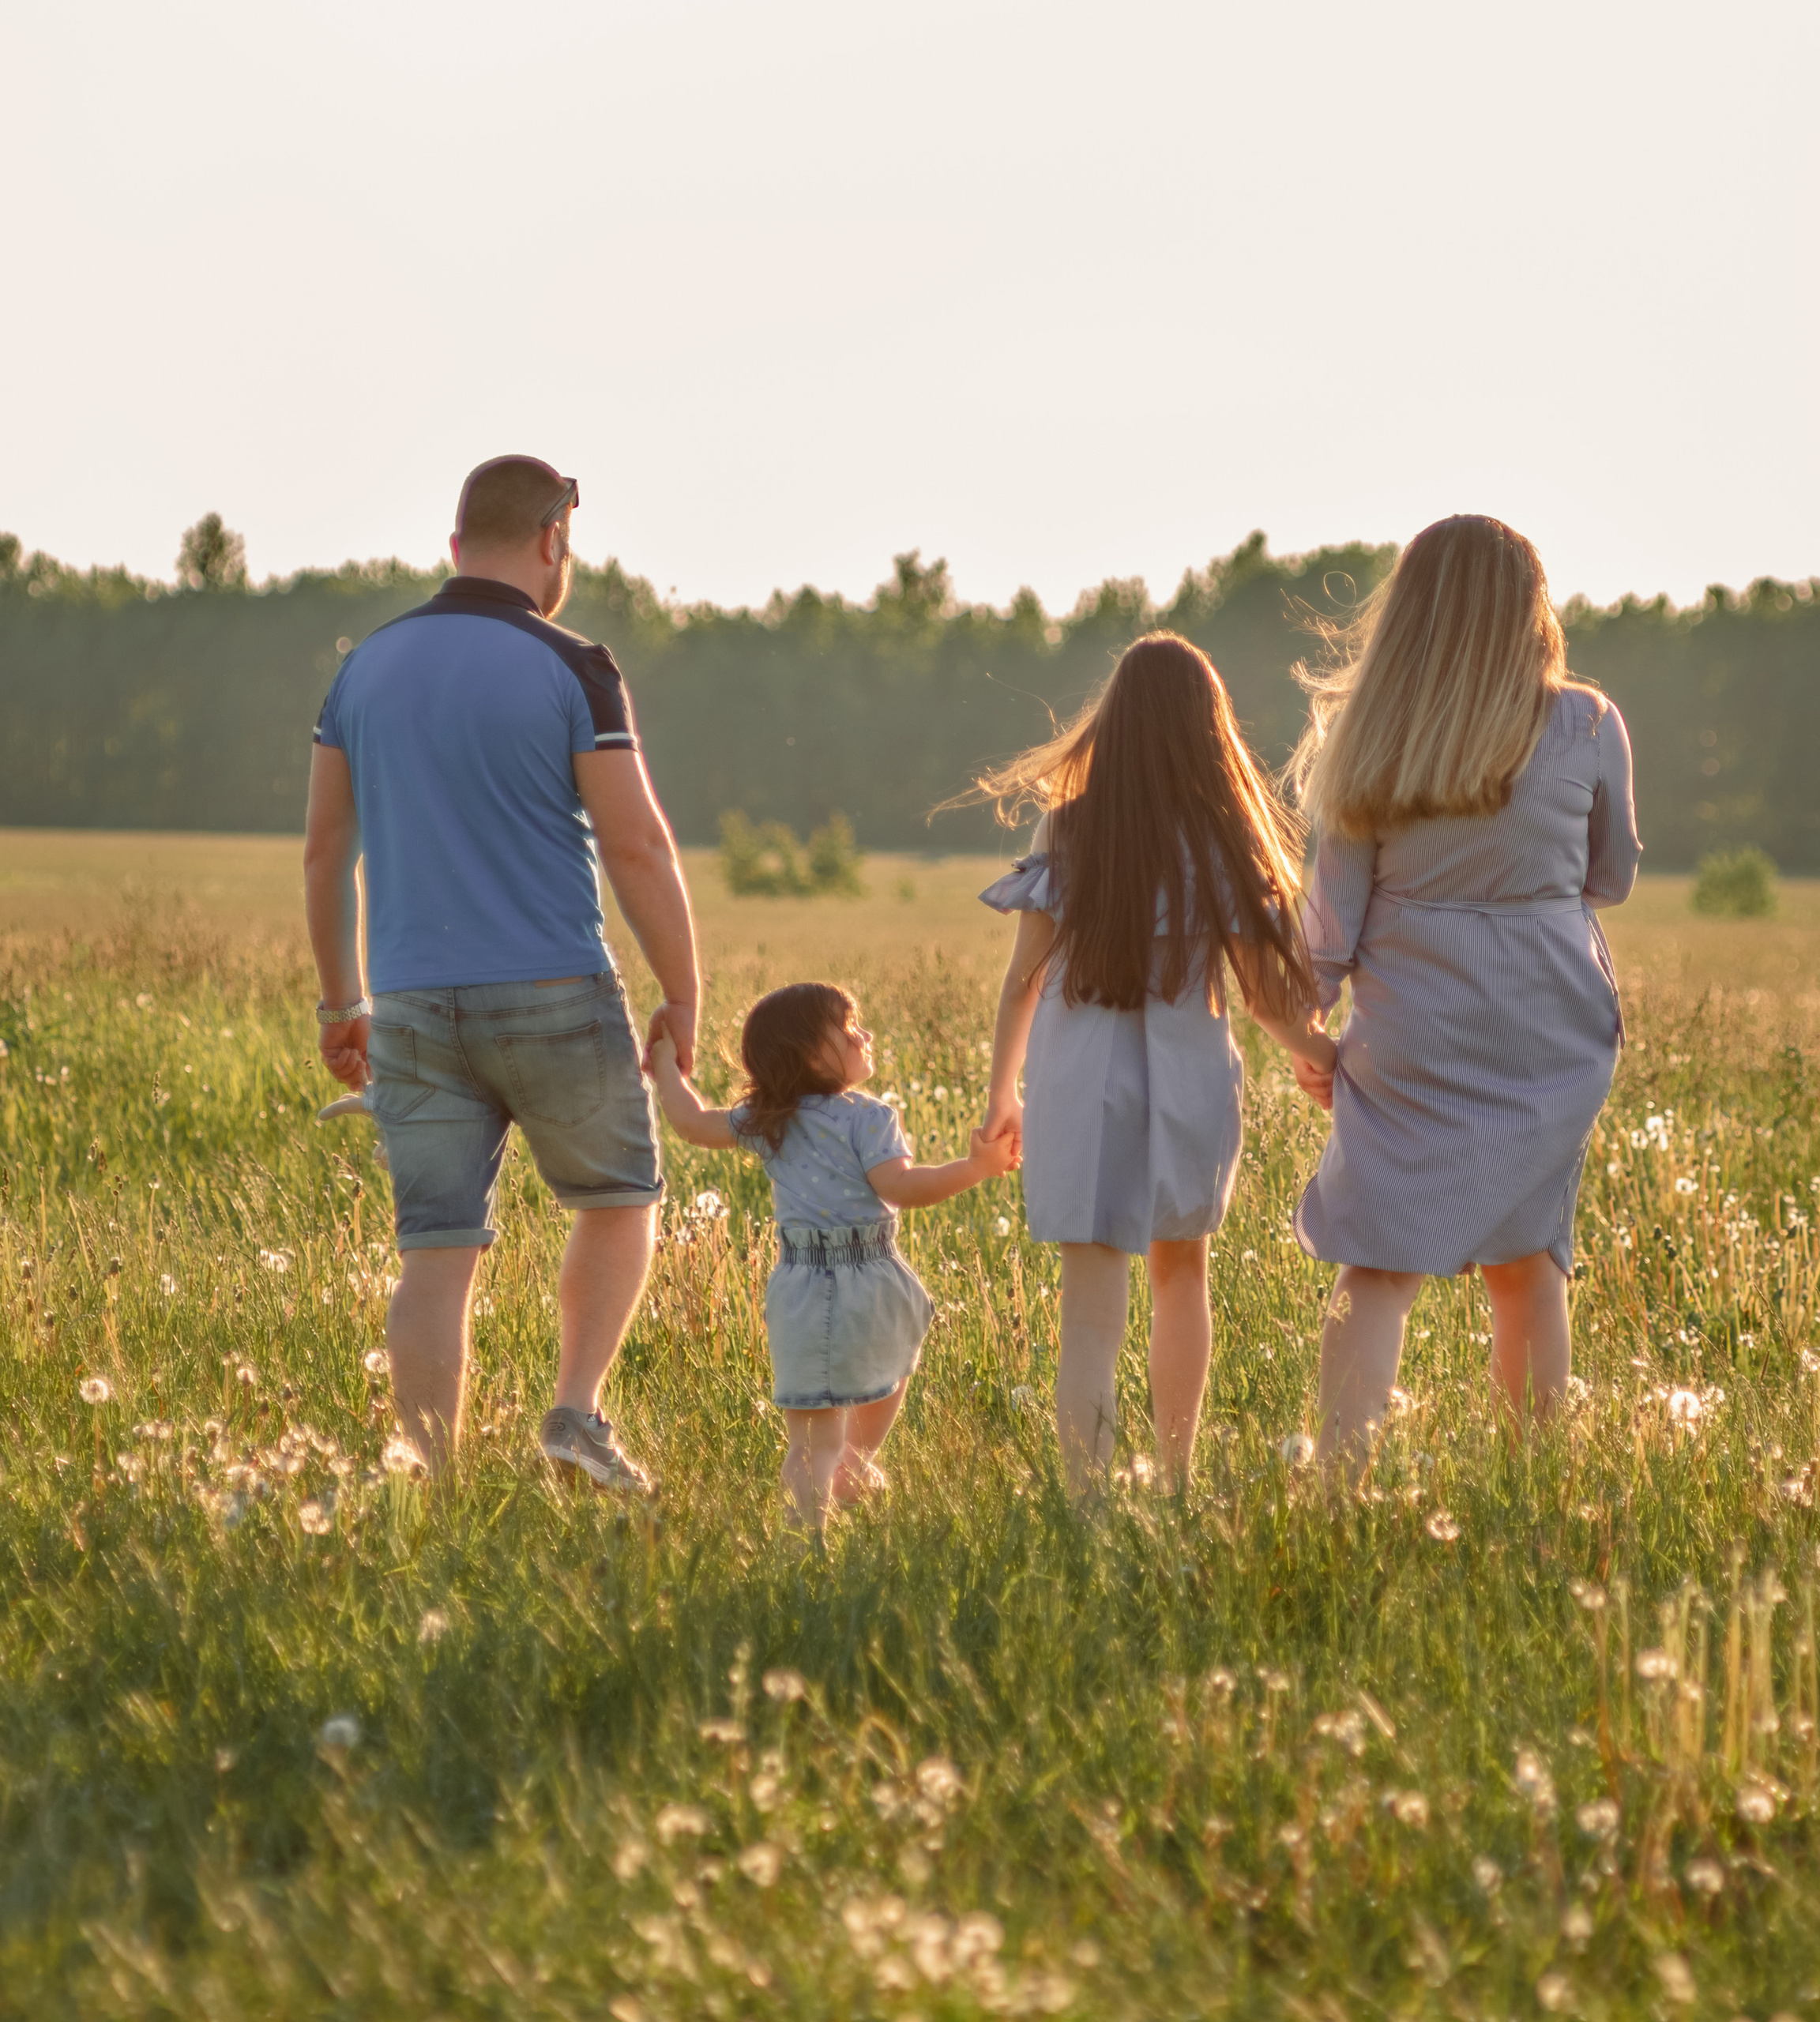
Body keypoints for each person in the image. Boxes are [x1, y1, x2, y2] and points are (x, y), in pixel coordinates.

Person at [303, 455, 701, 1487]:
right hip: (556, 988)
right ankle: (574, 1414)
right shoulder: (576, 665)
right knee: (617, 1197)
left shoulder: (363, 669)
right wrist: (682, 991)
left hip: (409, 1005)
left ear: (454, 546)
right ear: (552, 539)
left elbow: (325, 853)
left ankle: (434, 1483)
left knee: (435, 1251)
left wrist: (342, 1002)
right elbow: (637, 847)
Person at [1288, 513, 1641, 1471]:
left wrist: (1310, 1036)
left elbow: (1328, 929)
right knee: (1529, 1266)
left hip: (1413, 1033)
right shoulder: (1588, 722)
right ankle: (1530, 1484)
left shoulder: (1368, 732)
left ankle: (1338, 1487)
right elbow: (1611, 878)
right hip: (1550, 1029)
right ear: (1531, 609)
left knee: (1376, 1266)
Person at [966, 633, 1336, 1496]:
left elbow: (1023, 982)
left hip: (1078, 1080)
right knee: (1182, 1274)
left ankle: (1086, 1502)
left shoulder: (1068, 827)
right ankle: (1175, 1478)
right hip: (1187, 1075)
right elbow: (1264, 998)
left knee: (1089, 1315)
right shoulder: (1221, 836)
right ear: (1209, 727)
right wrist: (1324, 1057)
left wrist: (1002, 1092)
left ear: (1115, 721)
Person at [652, 983, 1016, 1530]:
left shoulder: (768, 1120)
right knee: (892, 1367)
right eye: (847, 1029)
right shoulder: (867, 1118)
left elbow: (692, 1123)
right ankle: (837, 1488)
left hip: (804, 1283)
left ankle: (820, 1510)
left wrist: (665, 1067)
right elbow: (902, 1188)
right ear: (807, 1054)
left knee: (811, 1437)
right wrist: (976, 1168)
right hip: (874, 1277)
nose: (863, 1034)